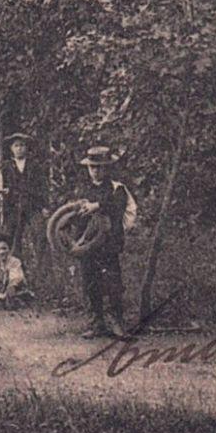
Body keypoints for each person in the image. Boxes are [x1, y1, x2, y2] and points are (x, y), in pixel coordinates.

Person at [74, 145, 138, 339]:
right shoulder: (83, 189)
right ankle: (96, 322)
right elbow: (76, 216)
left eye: (100, 167)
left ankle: (117, 322)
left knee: (113, 282)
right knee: (90, 282)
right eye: (92, 167)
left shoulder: (116, 188)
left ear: (107, 168)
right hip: (89, 243)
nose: (95, 171)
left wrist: (97, 206)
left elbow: (118, 207)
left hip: (109, 243)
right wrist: (77, 240)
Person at [0, 133, 47, 265]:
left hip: (32, 204)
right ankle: (15, 267)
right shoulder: (6, 166)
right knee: (11, 237)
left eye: (22, 145)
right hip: (12, 206)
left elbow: (42, 186)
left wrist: (44, 206)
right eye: (16, 145)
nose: (19, 148)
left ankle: (40, 268)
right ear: (11, 148)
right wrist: (4, 191)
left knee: (40, 234)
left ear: (26, 147)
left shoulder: (34, 165)